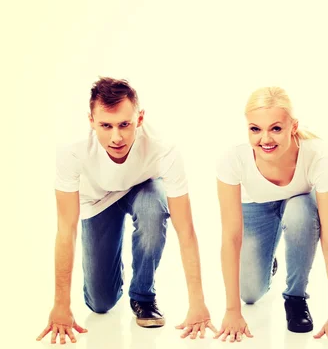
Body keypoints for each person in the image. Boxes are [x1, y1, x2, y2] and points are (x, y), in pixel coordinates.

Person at [37, 77, 216, 345]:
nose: (116, 137)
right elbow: (66, 230)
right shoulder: (71, 151)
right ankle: (111, 269)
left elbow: (186, 229)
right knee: (100, 303)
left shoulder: (164, 149)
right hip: (97, 200)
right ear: (91, 121)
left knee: (153, 210)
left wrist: (198, 303)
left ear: (140, 118)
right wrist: (61, 304)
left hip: (142, 188)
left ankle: (143, 295)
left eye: (125, 124)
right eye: (105, 126)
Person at [215, 86, 328, 344]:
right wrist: (233, 310)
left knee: (299, 212)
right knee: (250, 294)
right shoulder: (233, 160)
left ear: (293, 126)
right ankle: (268, 262)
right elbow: (231, 237)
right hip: (255, 208)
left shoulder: (319, 158)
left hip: (298, 206)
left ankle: (296, 297)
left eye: (276, 128)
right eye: (255, 129)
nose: (265, 139)